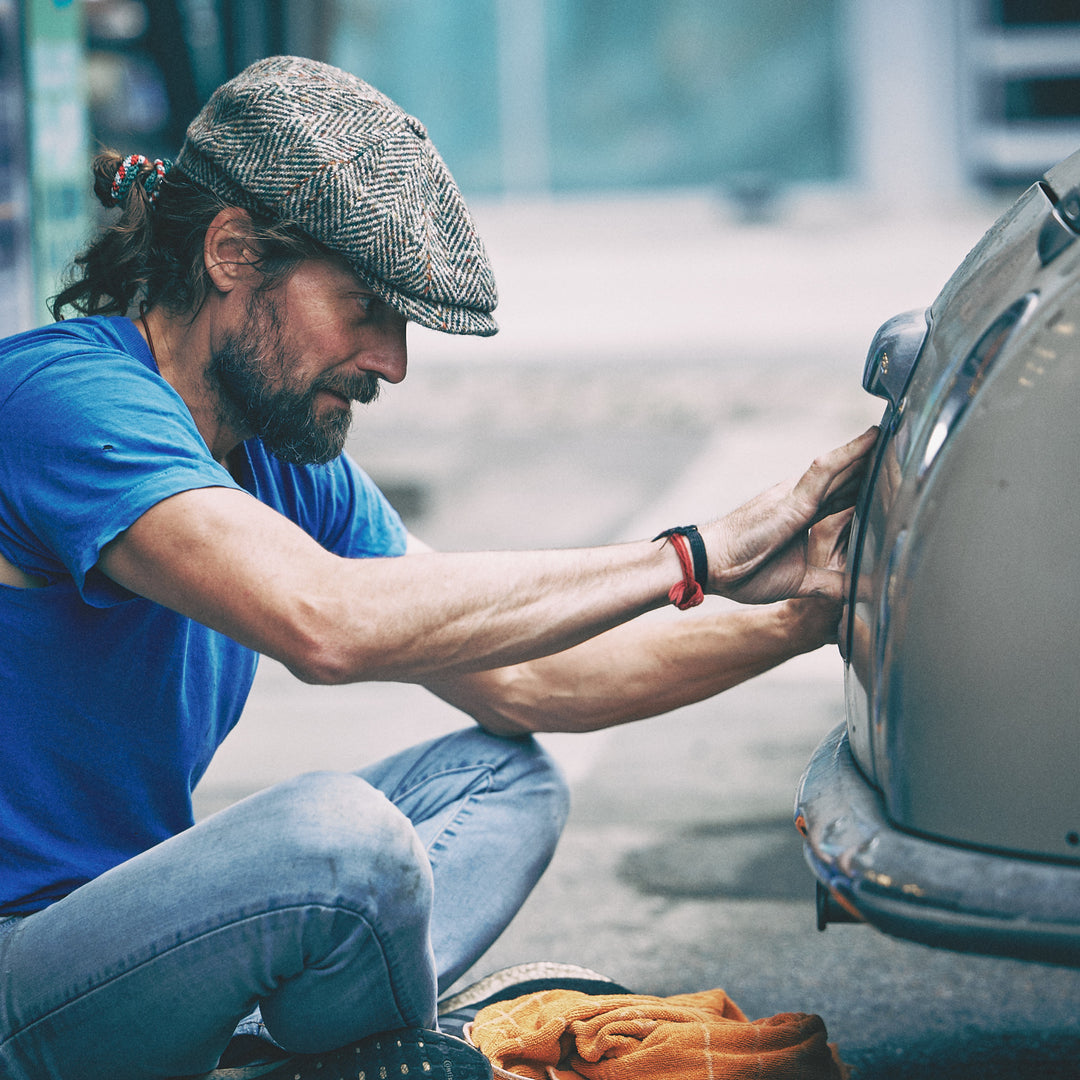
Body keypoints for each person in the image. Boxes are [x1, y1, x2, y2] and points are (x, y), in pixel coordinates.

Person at [0, 56, 876, 1080]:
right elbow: (324, 621)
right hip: (23, 974)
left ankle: (298, 1056)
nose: (394, 363)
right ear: (232, 253)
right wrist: (689, 555)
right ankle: (354, 1052)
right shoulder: (58, 401)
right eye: (367, 307)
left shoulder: (280, 460)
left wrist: (802, 614)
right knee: (341, 840)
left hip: (134, 941)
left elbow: (529, 681)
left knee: (508, 776)